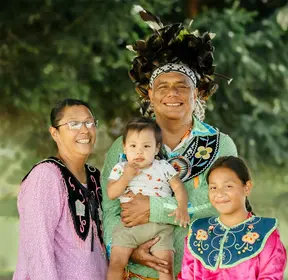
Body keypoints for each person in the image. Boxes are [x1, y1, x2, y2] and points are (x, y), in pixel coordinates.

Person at [101, 6, 238, 279]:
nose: (172, 93)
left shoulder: (221, 146)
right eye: (162, 86)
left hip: (200, 270)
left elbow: (222, 205)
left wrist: (156, 208)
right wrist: (128, 249)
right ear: (149, 94)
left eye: (182, 86)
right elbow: (109, 209)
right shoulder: (124, 146)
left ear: (197, 92)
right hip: (138, 271)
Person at [13, 99, 108, 280]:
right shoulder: (46, 176)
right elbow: (37, 251)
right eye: (73, 124)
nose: (84, 130)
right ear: (55, 133)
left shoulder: (96, 178)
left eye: (89, 122)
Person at [106, 117, 190, 280]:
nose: (139, 151)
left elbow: (179, 187)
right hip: (129, 227)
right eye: (133, 146)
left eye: (146, 146)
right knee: (116, 262)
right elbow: (111, 193)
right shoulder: (120, 168)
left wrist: (182, 207)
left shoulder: (163, 167)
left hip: (160, 228)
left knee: (165, 266)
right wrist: (125, 178)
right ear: (124, 147)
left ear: (157, 148)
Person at [178, 156, 287, 280]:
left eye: (228, 186)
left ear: (247, 187)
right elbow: (186, 276)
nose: (219, 193)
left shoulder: (265, 232)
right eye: (213, 187)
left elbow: (270, 276)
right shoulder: (198, 232)